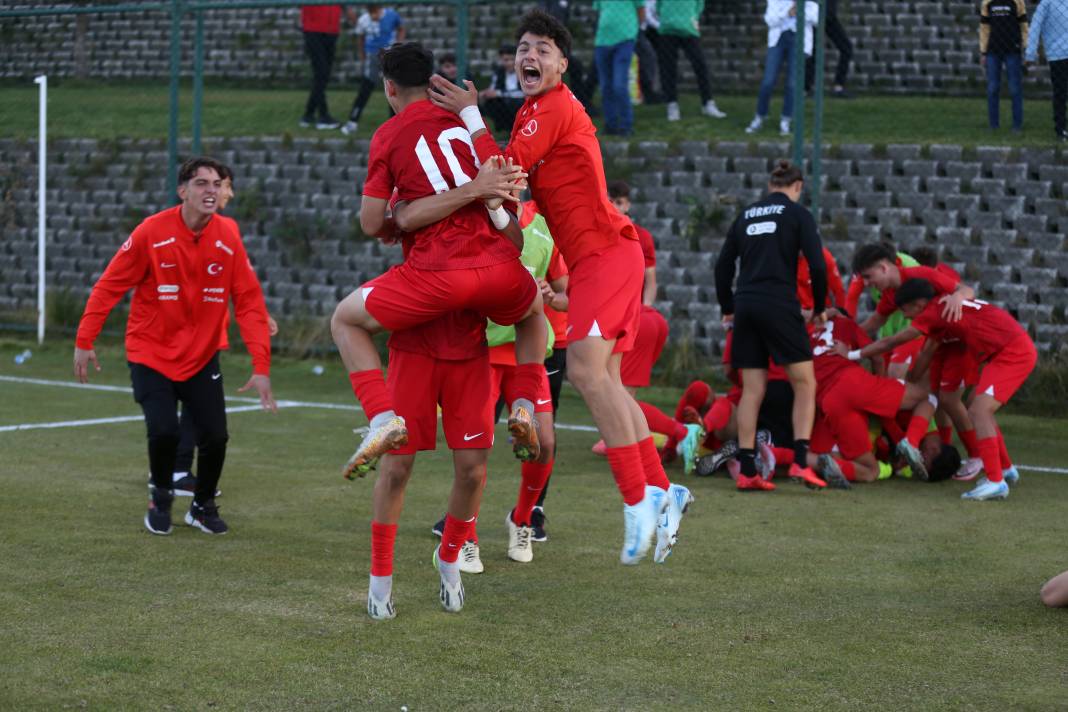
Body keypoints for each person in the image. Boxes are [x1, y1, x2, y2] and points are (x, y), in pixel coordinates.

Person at [428, 10, 694, 566]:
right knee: (612, 384)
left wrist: (470, 116)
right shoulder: (534, 111)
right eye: (524, 46)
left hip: (604, 257)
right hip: (605, 257)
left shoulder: (549, 107)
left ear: (562, 64)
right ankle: (663, 491)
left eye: (544, 48)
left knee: (584, 371)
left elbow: (502, 170)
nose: (531, 55)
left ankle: (636, 501)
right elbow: (512, 192)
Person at [331, 42, 547, 480]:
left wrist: (402, 218)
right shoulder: (468, 125)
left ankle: (379, 418)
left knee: (345, 320)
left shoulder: (389, 135)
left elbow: (372, 223)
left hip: (439, 275)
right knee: (533, 313)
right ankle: (524, 401)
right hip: (499, 265)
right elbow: (505, 202)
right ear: (432, 81)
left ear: (389, 88)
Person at [74, 157, 276, 536]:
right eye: (201, 183)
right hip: (150, 352)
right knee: (165, 429)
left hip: (201, 356)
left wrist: (260, 365)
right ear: (182, 191)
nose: (211, 190)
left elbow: (248, 300)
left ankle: (201, 506)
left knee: (215, 436)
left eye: (217, 183)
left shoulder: (228, 234)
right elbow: (109, 286)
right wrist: (85, 340)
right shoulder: (152, 232)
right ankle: (161, 498)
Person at [842, 278, 1035, 501]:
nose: (905, 316)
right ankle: (1005, 469)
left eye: (905, 309)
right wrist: (915, 383)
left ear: (919, 303)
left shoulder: (935, 311)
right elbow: (927, 354)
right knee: (976, 406)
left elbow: (891, 341)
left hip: (1011, 352)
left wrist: (851, 355)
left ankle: (995, 481)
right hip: (1003, 352)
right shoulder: (942, 317)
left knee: (979, 411)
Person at [713, 160, 826, 492]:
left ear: (769, 185)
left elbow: (722, 266)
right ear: (798, 187)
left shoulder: (746, 214)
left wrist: (728, 308)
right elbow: (817, 266)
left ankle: (748, 470)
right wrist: (819, 307)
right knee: (805, 383)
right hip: (779, 302)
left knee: (752, 389)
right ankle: (801, 463)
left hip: (746, 304)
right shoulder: (797, 213)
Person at [170, 164, 279, 496]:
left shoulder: (225, 232)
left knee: (194, 408)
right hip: (181, 338)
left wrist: (260, 312)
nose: (221, 193)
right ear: (187, 191)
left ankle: (176, 471)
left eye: (223, 186)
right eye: (213, 185)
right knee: (186, 408)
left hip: (207, 339)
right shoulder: (182, 232)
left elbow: (238, 284)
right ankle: (172, 474)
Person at [745, 0, 819, 136]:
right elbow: (770, 20)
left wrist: (800, 10)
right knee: (768, 81)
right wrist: (787, 13)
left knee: (792, 84)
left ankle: (786, 119)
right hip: (778, 40)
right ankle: (760, 116)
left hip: (799, 40)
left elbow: (816, 19)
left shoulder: (808, 3)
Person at [656, 0, 727, 122]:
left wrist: (693, 18)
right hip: (667, 29)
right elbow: (658, 5)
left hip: (689, 28)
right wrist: (667, 17)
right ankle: (672, 105)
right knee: (668, 69)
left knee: (700, 65)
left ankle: (708, 103)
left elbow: (700, 4)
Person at [342, 3, 406, 136]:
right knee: (366, 88)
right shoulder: (363, 20)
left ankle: (394, 123)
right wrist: (362, 55)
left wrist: (398, 45)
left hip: (389, 55)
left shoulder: (391, 15)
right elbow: (361, 38)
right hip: (372, 56)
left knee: (392, 88)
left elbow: (401, 28)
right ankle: (353, 121)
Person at [593, 0, 644, 136]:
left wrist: (632, 30)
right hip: (602, 41)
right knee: (605, 87)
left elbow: (641, 12)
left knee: (619, 85)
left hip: (625, 40)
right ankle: (611, 125)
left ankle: (626, 125)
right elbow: (599, 12)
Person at [300, 4, 355, 129]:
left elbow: (345, 5)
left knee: (323, 75)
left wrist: (355, 19)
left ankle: (308, 115)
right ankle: (323, 116)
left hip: (332, 31)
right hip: (313, 30)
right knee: (321, 73)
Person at [980, 0, 1029, 132]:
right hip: (993, 51)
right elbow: (984, 28)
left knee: (1015, 89)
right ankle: (993, 125)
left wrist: (1026, 47)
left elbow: (1023, 25)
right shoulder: (987, 2)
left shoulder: (1018, 1)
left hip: (1012, 50)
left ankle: (1017, 125)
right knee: (992, 88)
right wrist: (983, 51)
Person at [1025, 0, 1068, 141]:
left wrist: (1030, 55)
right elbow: (1035, 27)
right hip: (1058, 55)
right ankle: (1061, 128)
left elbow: (1035, 27)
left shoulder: (1045, 4)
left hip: (1057, 56)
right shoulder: (1046, 4)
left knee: (1060, 93)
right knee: (1060, 93)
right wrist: (1030, 53)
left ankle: (1060, 129)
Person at [804, 0, 852, 98]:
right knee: (812, 52)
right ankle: (805, 88)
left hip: (829, 15)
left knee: (846, 48)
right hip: (814, 15)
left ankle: (838, 87)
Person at [480, 44, 527, 132]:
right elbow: (493, 88)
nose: (509, 63)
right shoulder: (499, 72)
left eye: (512, 59)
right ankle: (499, 129)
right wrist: (486, 93)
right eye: (506, 60)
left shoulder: (523, 72)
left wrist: (499, 93)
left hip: (518, 103)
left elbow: (524, 92)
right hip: (503, 103)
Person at [636, 0, 663, 104]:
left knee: (647, 59)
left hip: (646, 29)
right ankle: (648, 92)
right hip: (638, 29)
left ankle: (649, 92)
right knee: (648, 57)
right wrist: (661, 26)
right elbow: (646, 15)